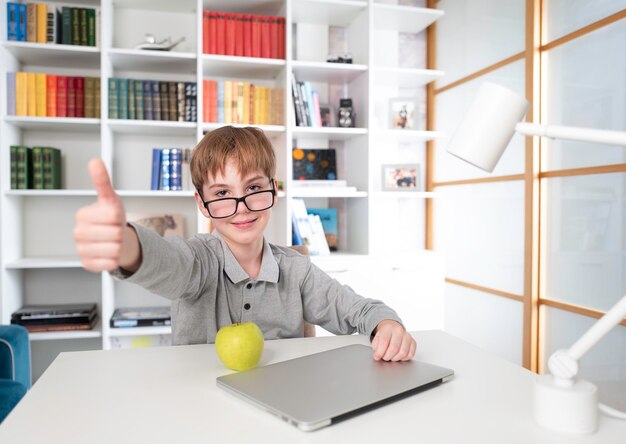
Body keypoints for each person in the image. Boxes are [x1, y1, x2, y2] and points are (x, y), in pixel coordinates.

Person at [74, 126, 416, 362]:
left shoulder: (295, 270)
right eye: (222, 193)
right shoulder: (199, 262)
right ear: (200, 202)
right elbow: (167, 262)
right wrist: (127, 246)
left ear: (274, 190)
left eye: (253, 188)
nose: (241, 207)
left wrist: (387, 325)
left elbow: (358, 308)